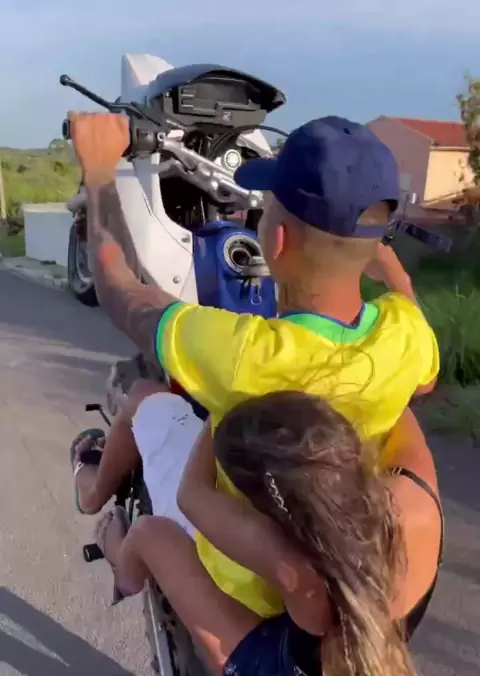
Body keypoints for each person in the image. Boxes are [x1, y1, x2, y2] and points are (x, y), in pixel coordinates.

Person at [69, 111, 439, 623]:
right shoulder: (405, 334)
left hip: (238, 575)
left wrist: (99, 173)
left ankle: (94, 496)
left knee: (145, 399)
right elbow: (426, 374)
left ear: (277, 240)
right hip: (330, 558)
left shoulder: (241, 352)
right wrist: (391, 270)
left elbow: (119, 290)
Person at [77, 392, 441, 676]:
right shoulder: (417, 495)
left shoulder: (294, 566)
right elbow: (396, 402)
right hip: (374, 655)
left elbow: (191, 496)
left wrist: (221, 406)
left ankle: (122, 566)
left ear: (273, 512)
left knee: (149, 534)